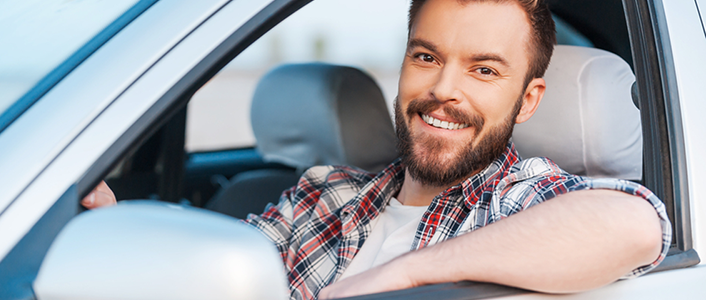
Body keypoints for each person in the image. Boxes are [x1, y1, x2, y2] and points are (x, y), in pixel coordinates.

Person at [83, 0, 671, 299]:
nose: (443, 90)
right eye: (426, 57)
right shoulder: (323, 193)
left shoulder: (525, 200)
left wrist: (409, 274)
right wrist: (118, 227)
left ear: (528, 100)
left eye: (484, 70)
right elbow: (215, 279)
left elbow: (636, 223)